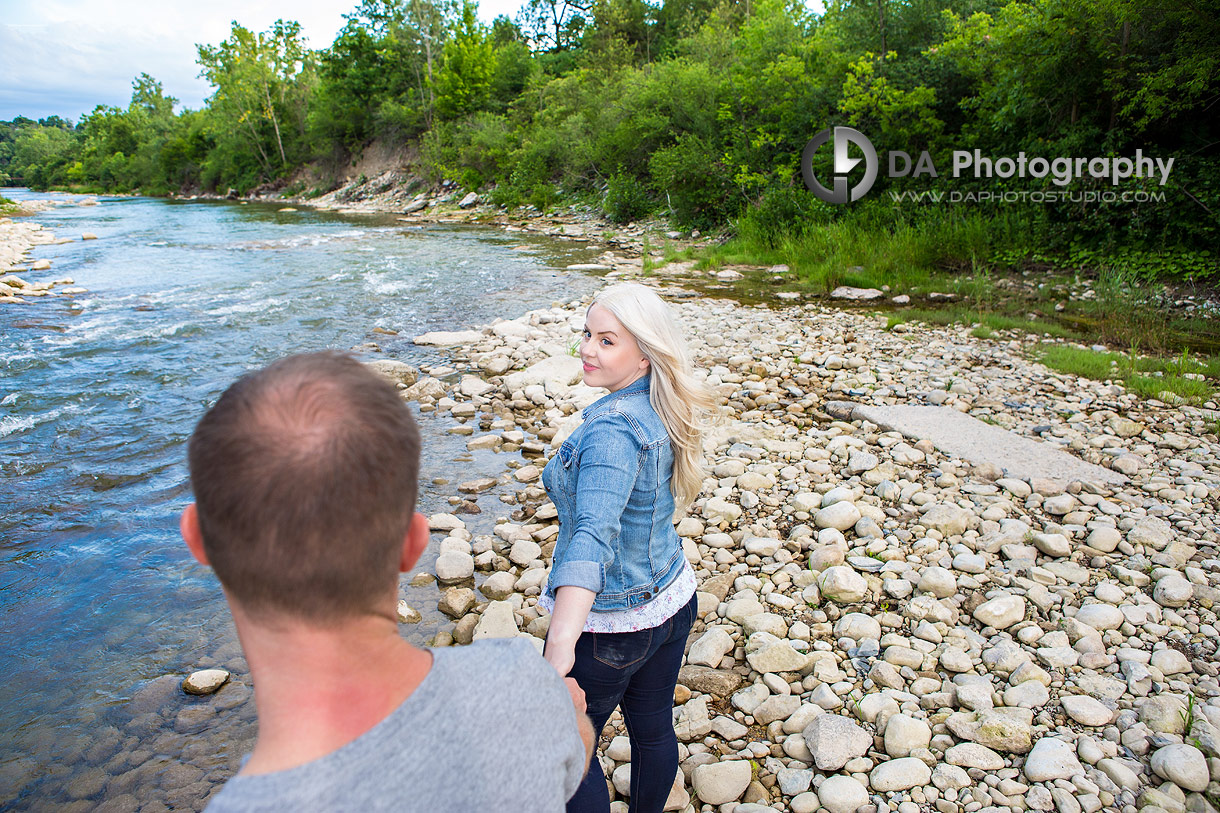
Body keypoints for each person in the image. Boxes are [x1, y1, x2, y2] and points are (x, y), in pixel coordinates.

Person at [179, 351, 594, 812]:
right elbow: (570, 755)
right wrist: (564, 714)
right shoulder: (522, 682)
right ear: (414, 542)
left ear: (197, 539)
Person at [540, 284, 718, 813]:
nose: (587, 350)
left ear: (644, 353)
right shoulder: (659, 405)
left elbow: (591, 537)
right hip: (672, 597)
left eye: (606, 340)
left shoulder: (612, 432)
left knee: (563, 746)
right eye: (587, 334)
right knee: (653, 728)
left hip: (612, 627)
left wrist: (559, 649)